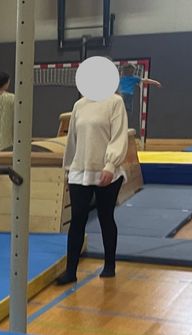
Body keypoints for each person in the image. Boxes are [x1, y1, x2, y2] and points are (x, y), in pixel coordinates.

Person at [57, 91, 129, 285]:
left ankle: (109, 265)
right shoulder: (79, 105)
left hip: (106, 170)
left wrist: (110, 165)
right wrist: (69, 168)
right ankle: (70, 271)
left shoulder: (115, 102)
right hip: (80, 169)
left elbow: (119, 137)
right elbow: (72, 139)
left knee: (105, 217)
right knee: (77, 218)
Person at [118, 64, 161, 128]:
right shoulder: (134, 78)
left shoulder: (122, 78)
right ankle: (125, 124)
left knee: (121, 110)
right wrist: (156, 82)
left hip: (120, 95)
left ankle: (121, 124)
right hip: (128, 95)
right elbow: (146, 80)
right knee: (128, 111)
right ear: (131, 71)